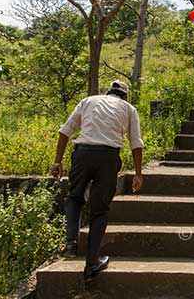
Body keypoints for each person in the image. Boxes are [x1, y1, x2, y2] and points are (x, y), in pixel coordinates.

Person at [51, 80, 144, 279]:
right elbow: (136, 143)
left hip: (83, 154)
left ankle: (71, 243)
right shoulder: (129, 109)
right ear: (124, 96)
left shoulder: (88, 101)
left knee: (74, 197)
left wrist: (57, 161)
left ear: (107, 92)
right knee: (100, 211)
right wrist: (138, 173)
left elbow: (65, 131)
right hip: (108, 158)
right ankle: (92, 263)